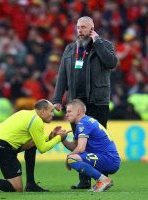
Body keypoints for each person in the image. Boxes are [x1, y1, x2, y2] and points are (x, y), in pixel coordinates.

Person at [53, 16, 118, 189]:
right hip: (76, 103)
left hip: (98, 101)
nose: (80, 30)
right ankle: (84, 181)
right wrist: (57, 99)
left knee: (96, 141)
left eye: (83, 27)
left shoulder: (104, 45)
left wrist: (97, 42)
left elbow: (111, 62)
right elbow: (62, 76)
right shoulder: (69, 49)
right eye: (78, 27)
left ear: (92, 28)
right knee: (77, 139)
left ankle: (103, 178)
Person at [0, 99, 68, 193]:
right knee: (16, 188)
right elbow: (43, 148)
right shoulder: (36, 121)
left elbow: (36, 141)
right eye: (51, 111)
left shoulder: (26, 114)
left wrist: (51, 136)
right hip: (2, 147)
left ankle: (31, 184)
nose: (53, 115)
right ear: (43, 111)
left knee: (32, 144)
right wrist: (59, 138)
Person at [62, 99, 120, 192]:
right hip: (107, 158)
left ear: (78, 112)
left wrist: (68, 158)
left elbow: (80, 149)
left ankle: (103, 180)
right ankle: (101, 181)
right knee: (72, 158)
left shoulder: (84, 123)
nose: (66, 114)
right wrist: (63, 139)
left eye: (69, 111)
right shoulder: (84, 122)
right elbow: (76, 147)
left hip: (109, 159)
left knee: (71, 159)